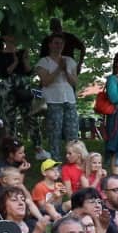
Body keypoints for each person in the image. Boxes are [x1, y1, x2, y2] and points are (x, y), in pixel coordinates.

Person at [36, 32, 81, 161]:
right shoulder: (43, 62)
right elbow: (45, 81)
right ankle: (55, 162)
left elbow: (74, 82)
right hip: (52, 100)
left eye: (61, 43)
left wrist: (66, 70)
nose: (58, 46)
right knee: (54, 133)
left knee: (72, 132)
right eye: (56, 43)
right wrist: (58, 69)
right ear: (50, 45)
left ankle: (73, 160)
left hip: (69, 99)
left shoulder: (70, 61)